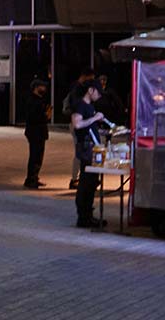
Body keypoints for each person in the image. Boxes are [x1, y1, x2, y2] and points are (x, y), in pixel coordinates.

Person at [70, 81, 111, 229]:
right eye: (98, 92)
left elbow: (90, 128)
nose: (99, 96)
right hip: (85, 149)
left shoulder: (89, 107)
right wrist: (94, 118)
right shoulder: (80, 105)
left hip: (92, 148)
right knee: (86, 182)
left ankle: (88, 215)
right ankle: (83, 216)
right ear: (90, 90)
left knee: (92, 182)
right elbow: (77, 124)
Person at [23, 78, 52, 189]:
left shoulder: (39, 100)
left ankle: (34, 177)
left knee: (38, 157)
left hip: (39, 131)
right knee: (35, 156)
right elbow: (34, 117)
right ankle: (31, 179)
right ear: (36, 88)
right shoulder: (33, 101)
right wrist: (46, 116)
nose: (44, 88)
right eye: (42, 86)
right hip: (35, 132)